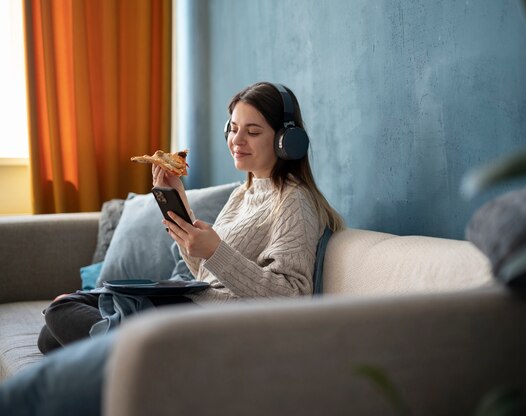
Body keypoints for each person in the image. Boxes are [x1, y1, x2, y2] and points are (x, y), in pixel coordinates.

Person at [0, 81, 344, 414]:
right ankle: (132, 367)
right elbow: (205, 272)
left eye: (252, 132)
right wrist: (180, 210)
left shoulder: (293, 202)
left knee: (62, 316)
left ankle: (147, 368)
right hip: (190, 303)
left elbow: (293, 297)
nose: (237, 140)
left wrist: (215, 251)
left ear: (287, 141)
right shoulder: (246, 192)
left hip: (208, 326)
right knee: (51, 334)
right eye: (233, 128)